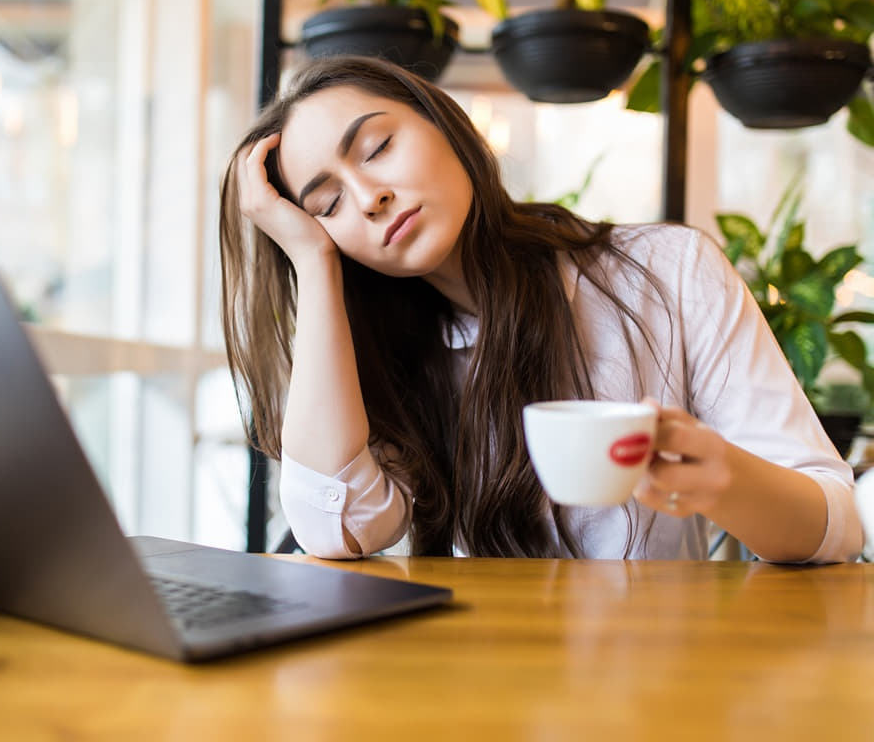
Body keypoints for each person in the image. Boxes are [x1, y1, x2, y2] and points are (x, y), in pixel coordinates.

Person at [219, 54, 863, 563]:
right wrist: (313, 262)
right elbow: (337, 530)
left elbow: (836, 526)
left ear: (446, 123)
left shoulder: (668, 272)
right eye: (326, 205)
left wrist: (728, 480)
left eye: (378, 147)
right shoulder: (379, 355)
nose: (368, 197)